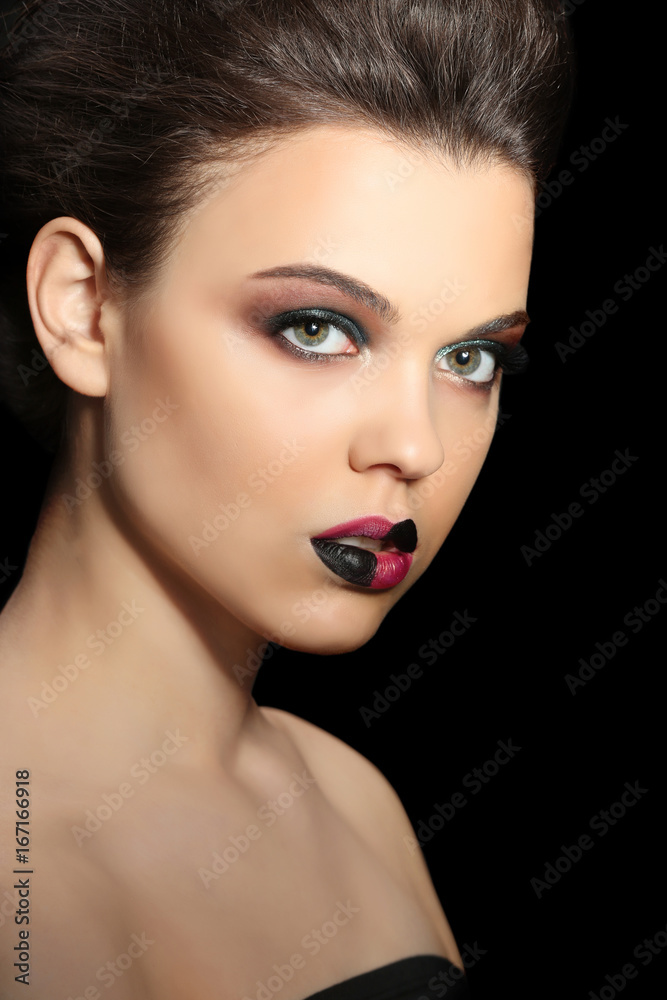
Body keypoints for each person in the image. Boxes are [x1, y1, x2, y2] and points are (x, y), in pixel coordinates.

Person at [0, 1, 574, 996]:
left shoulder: (351, 802)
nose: (415, 446)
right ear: (83, 308)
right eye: (317, 328)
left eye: (470, 359)